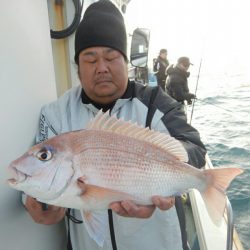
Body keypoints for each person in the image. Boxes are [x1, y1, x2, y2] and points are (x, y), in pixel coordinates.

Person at [24, 1, 206, 250]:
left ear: (126, 62)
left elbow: (195, 149)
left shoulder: (156, 103)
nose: (101, 68)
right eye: (90, 60)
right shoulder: (55, 114)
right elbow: (35, 171)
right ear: (78, 68)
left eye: (111, 57)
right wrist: (39, 203)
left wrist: (157, 158)